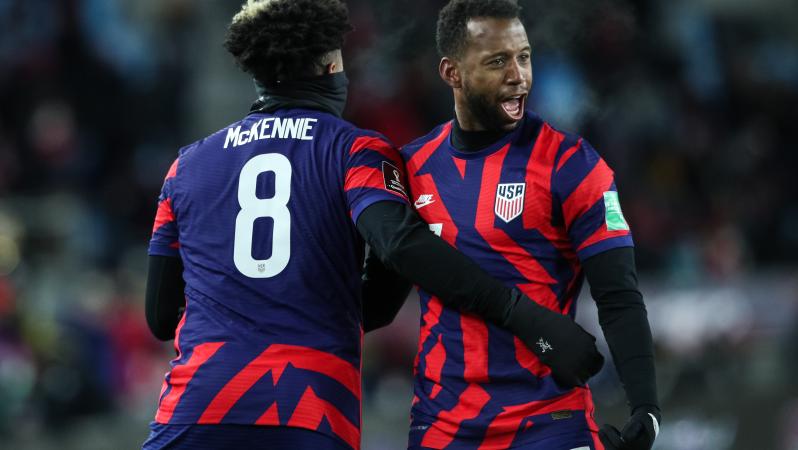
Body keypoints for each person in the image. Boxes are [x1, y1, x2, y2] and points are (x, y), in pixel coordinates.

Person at [142, 1, 604, 449]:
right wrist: (521, 314)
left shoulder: (186, 166)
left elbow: (161, 317)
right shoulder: (356, 152)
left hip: (196, 405)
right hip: (307, 408)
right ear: (328, 67)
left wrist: (246, 307)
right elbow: (398, 250)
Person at [385, 0, 661, 449]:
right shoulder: (411, 165)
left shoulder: (572, 165)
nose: (519, 76)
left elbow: (619, 296)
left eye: (524, 56)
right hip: (441, 429)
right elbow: (380, 297)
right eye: (498, 61)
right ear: (451, 72)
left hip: (548, 425)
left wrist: (645, 408)